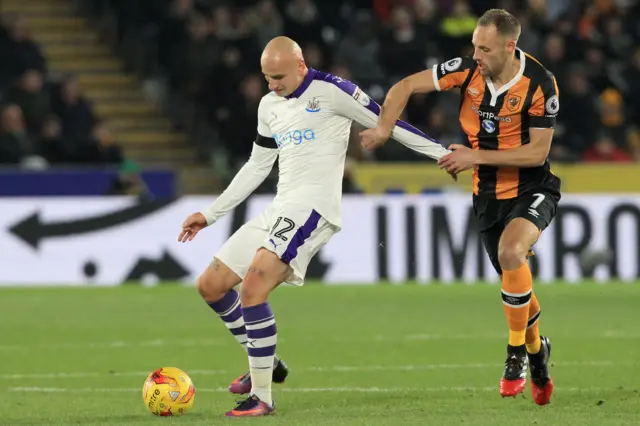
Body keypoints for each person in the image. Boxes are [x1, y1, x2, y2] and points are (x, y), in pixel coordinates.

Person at [178, 36, 451, 417]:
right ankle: (267, 361)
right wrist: (210, 214)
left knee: (254, 288)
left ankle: (262, 398)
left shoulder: (333, 91)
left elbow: (388, 120)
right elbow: (258, 166)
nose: (272, 84)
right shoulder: (269, 105)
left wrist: (444, 153)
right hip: (280, 207)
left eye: (278, 76)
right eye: (266, 77)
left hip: (314, 208)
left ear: (300, 66)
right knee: (210, 285)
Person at [360, 9, 559, 405]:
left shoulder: (540, 83)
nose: (476, 55)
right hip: (486, 197)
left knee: (511, 252)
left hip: (531, 187)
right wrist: (383, 129)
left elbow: (538, 153)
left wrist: (475, 157)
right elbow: (404, 86)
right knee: (516, 280)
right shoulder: (466, 71)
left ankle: (515, 353)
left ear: (509, 46)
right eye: (473, 46)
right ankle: (538, 352)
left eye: (484, 49)